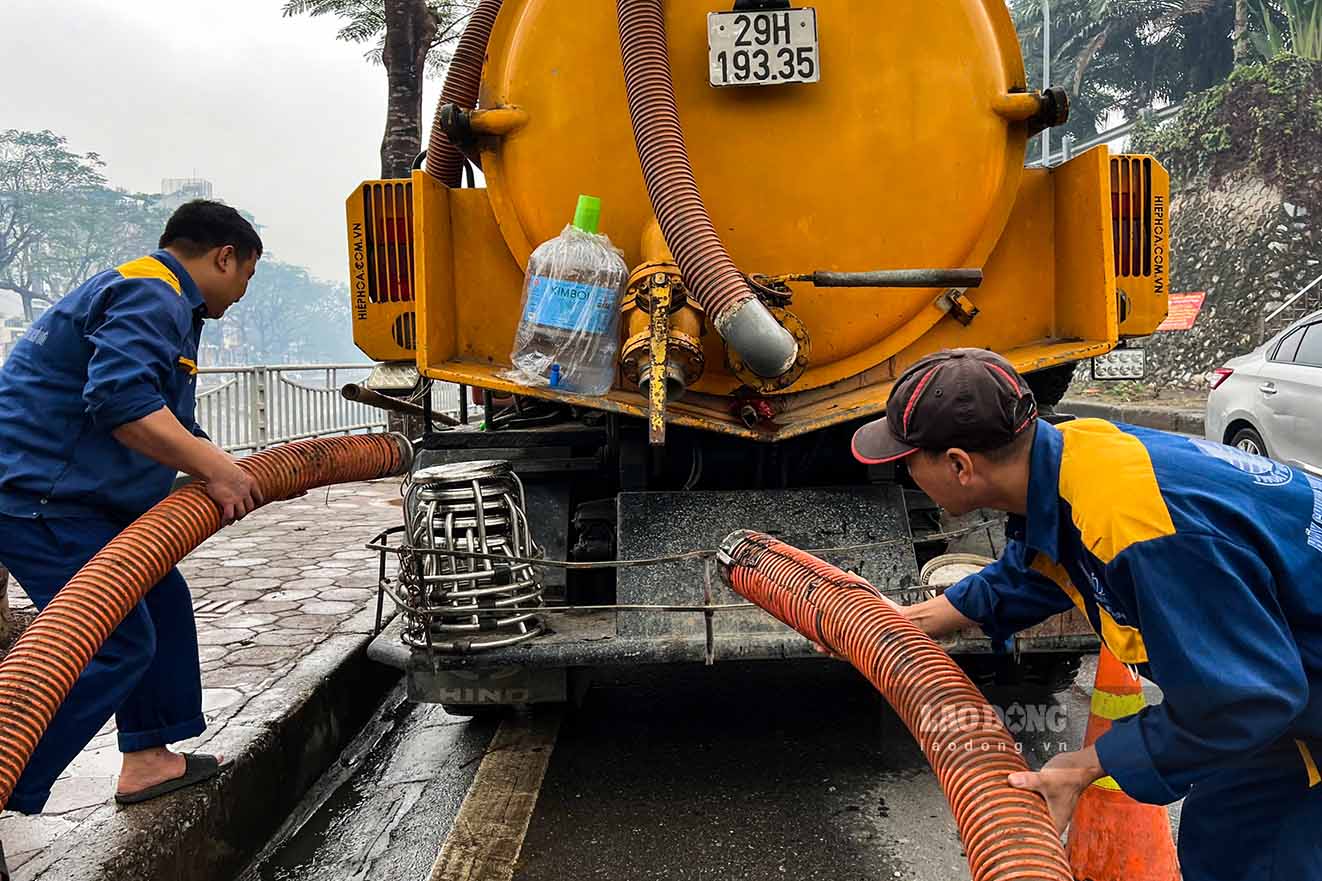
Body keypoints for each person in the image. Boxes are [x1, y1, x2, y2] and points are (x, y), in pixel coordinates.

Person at [849, 348, 1321, 881]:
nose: (905, 473)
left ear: (959, 465)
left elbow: (1245, 698)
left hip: (1288, 686)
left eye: (909, 460)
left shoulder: (1138, 529)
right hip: (1288, 671)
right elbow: (1043, 566)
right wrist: (914, 620)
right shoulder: (1078, 454)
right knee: (1226, 838)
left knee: (1261, 857)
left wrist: (1083, 766)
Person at [0, 200, 265, 813]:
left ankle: (148, 758)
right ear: (224, 256)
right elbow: (120, 401)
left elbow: (166, 415)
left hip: (77, 498)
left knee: (160, 600)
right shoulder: (153, 293)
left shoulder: (146, 292)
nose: (243, 292)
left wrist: (216, 464)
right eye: (247, 274)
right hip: (43, 500)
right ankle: (8, 774)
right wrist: (216, 470)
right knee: (111, 641)